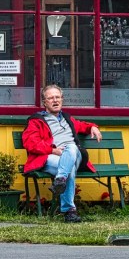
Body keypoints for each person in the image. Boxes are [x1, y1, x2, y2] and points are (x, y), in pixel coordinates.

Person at [21, 84, 101, 223]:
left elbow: (82, 125)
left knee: (71, 147)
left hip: (74, 155)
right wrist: (53, 150)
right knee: (68, 169)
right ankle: (69, 211)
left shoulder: (67, 119)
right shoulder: (36, 121)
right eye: (51, 98)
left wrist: (92, 127)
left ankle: (60, 180)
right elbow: (31, 143)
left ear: (62, 100)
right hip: (51, 157)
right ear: (44, 102)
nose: (55, 100)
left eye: (57, 97)